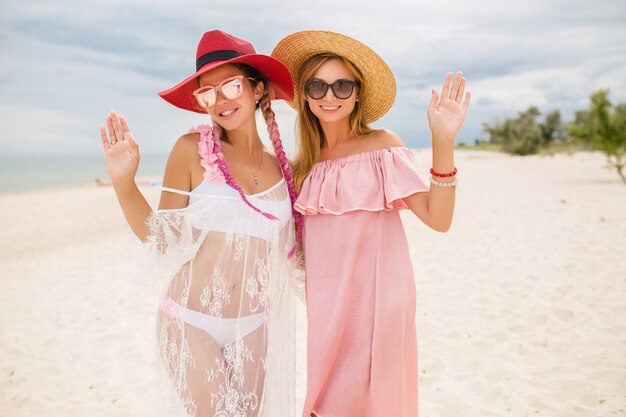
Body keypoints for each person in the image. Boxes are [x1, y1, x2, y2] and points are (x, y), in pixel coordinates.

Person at [99, 30, 303, 417]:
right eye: (207, 92)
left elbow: (298, 253)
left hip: (254, 326)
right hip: (191, 321)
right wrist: (124, 183)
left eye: (230, 85)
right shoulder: (190, 151)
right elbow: (162, 240)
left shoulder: (284, 168)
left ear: (258, 89)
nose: (220, 100)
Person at [272, 30, 471, 417]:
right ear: (305, 95)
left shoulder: (382, 146)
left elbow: (439, 218)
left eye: (341, 85)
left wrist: (442, 140)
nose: (329, 96)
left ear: (358, 92)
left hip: (380, 307)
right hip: (328, 315)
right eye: (318, 85)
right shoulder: (300, 170)